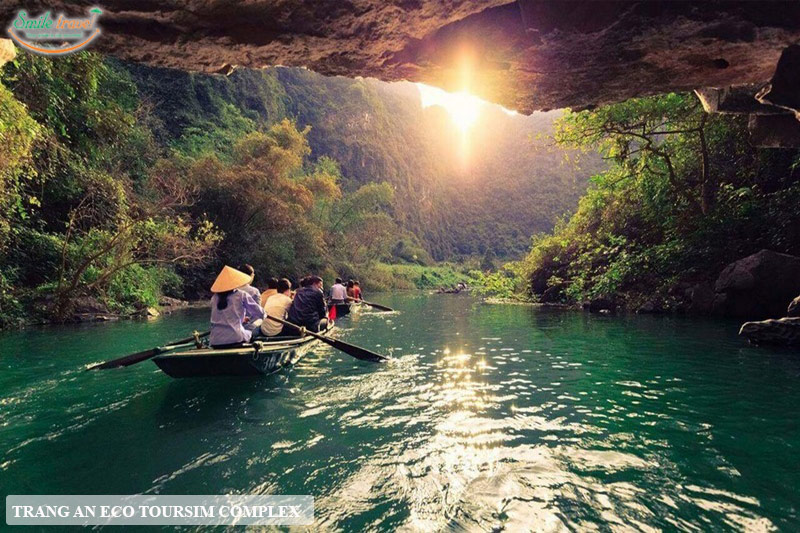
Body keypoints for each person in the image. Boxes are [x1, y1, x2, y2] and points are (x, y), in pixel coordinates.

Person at [209, 265, 265, 347]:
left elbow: (224, 316)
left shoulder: (214, 298)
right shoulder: (241, 295)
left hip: (214, 340)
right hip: (235, 338)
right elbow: (259, 313)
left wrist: (242, 319)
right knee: (252, 329)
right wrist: (265, 315)